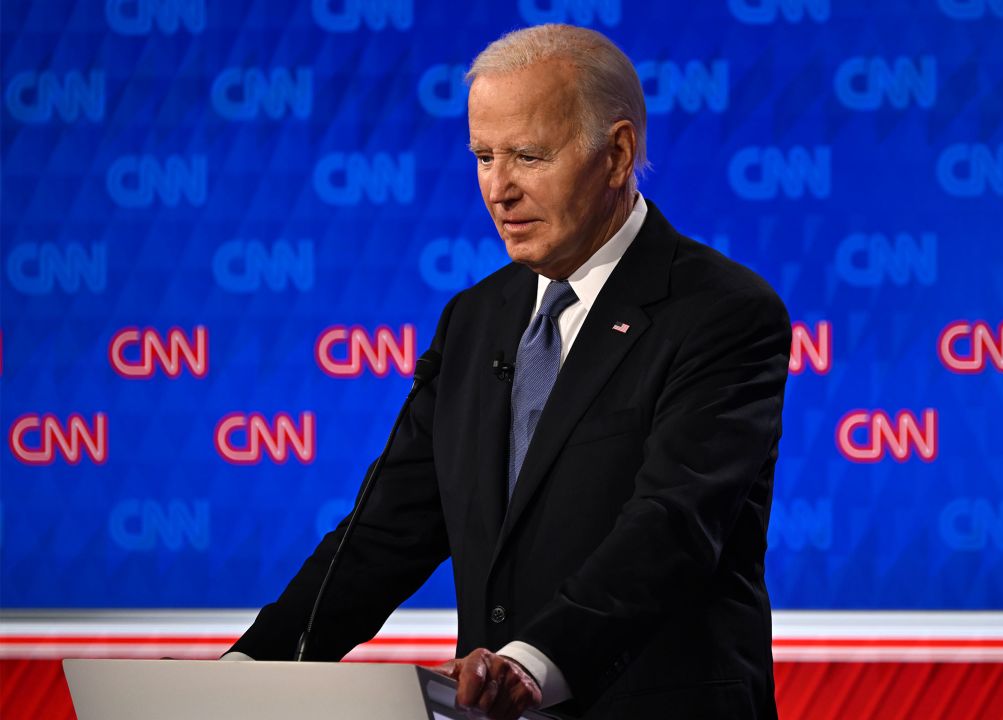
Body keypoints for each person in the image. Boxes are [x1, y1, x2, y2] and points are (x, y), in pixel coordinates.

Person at [226, 23, 790, 720]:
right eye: (484, 157)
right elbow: (386, 532)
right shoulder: (474, 319)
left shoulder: (720, 312)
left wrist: (530, 664)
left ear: (616, 154)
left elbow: (671, 527)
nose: (499, 189)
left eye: (528, 155)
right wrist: (253, 668)